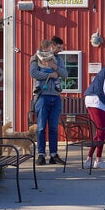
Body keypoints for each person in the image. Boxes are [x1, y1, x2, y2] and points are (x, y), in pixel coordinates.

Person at [30, 36, 68, 165]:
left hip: (55, 97)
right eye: (58, 47)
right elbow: (33, 73)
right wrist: (49, 75)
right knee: (40, 128)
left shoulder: (58, 60)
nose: (60, 50)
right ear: (51, 46)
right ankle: (41, 154)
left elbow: (65, 74)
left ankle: (53, 155)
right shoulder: (36, 58)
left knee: (53, 128)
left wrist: (54, 67)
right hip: (42, 96)